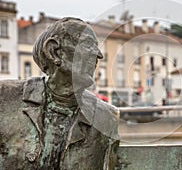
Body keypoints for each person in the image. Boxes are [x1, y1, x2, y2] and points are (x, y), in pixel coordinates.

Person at [0, 17, 119, 169]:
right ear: (54, 52)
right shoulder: (5, 98)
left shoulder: (106, 117)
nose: (98, 55)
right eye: (88, 44)